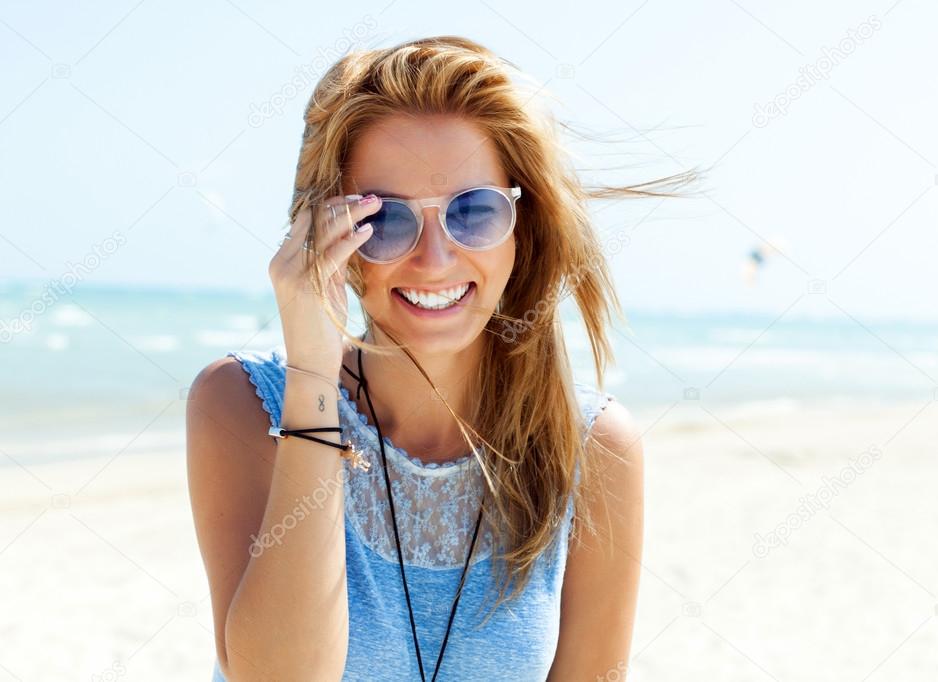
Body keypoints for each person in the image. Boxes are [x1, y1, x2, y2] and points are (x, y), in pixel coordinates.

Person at [186, 35, 694, 681]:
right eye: (385, 219)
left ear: (523, 226)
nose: (434, 259)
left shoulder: (593, 447)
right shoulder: (239, 404)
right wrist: (311, 370)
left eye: (473, 212)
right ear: (326, 234)